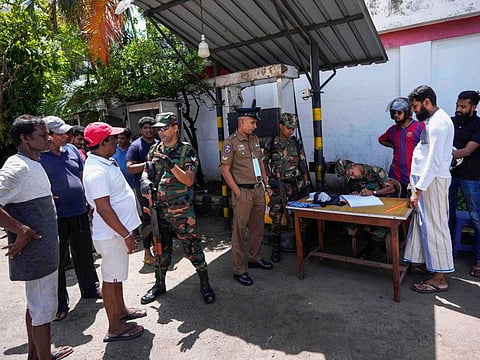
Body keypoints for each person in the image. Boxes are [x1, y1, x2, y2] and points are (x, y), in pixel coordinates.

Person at [0, 115, 73, 360]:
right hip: (36, 253)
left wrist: (45, 202)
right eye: (42, 135)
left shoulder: (33, 162)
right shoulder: (16, 167)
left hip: (45, 250)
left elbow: (22, 197)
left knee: (36, 305)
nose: (49, 138)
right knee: (43, 308)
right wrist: (20, 228)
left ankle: (36, 354)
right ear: (24, 138)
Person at [139, 112, 215, 304]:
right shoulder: (154, 149)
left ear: (175, 128)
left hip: (181, 211)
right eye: (158, 129)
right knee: (161, 249)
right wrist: (145, 182)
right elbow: (146, 171)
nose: (160, 132)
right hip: (158, 209)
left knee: (192, 248)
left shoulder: (185, 151)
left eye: (164, 128)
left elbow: (189, 180)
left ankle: (205, 283)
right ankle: (159, 284)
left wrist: (171, 165)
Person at [83, 122, 145, 342]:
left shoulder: (104, 162)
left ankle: (122, 312)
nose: (117, 141)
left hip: (116, 232)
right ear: (103, 143)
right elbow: (103, 208)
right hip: (112, 235)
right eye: (113, 138)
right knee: (110, 279)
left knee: (116, 277)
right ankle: (115, 327)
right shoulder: (96, 171)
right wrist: (126, 235)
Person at [40, 116, 101, 322]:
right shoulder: (38, 157)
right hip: (54, 216)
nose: (66, 135)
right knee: (58, 260)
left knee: (83, 252)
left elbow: (82, 175)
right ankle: (59, 304)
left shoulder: (73, 150)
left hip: (79, 211)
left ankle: (90, 288)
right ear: (48, 136)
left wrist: (90, 199)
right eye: (61, 133)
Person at [405, 85, 455, 293]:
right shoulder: (431, 121)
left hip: (431, 182)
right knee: (421, 224)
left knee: (435, 226)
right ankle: (426, 263)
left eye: (416, 107)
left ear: (427, 102)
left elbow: (434, 161)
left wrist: (418, 190)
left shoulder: (439, 123)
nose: (414, 111)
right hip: (425, 181)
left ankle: (440, 277)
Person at [220, 107, 272, 286]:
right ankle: (239, 269)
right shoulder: (231, 142)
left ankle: (255, 258)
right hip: (243, 192)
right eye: (252, 122)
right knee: (240, 231)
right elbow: (225, 170)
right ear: (242, 122)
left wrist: (266, 184)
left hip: (258, 190)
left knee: (258, 227)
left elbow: (261, 162)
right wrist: (237, 192)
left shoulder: (254, 139)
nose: (255, 126)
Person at [263, 113, 310, 262]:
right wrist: (269, 181)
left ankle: (300, 245)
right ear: (281, 126)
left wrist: (306, 182)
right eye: (288, 128)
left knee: (298, 216)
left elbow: (303, 163)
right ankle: (276, 247)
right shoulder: (271, 143)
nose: (291, 131)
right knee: (276, 217)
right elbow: (263, 163)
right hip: (279, 186)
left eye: (293, 129)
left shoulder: (296, 142)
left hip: (296, 185)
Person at [335, 159, 396, 260]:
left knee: (379, 230)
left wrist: (373, 193)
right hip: (363, 209)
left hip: (381, 209)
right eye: (350, 177)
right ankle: (376, 243)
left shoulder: (376, 171)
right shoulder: (351, 179)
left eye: (352, 174)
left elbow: (391, 188)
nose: (352, 177)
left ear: (354, 165)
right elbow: (351, 191)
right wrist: (354, 193)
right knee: (348, 228)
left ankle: (369, 249)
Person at [448, 90, 480, 279]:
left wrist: (442, 155)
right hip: (450, 175)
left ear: (473, 107)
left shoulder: (479, 124)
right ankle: (448, 255)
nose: (458, 109)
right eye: (457, 105)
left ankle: (478, 259)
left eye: (463, 106)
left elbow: (467, 151)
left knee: (476, 217)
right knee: (448, 215)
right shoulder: (450, 122)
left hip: (471, 177)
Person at [127, 117, 158, 266]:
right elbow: (130, 167)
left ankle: (159, 249)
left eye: (151, 127)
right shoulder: (135, 146)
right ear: (141, 130)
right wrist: (148, 165)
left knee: (159, 218)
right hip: (143, 189)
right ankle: (147, 252)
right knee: (147, 219)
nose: (149, 130)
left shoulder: (158, 143)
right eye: (146, 128)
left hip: (159, 187)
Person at [378, 97, 425, 197]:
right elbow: (381, 140)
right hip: (396, 174)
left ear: (407, 113)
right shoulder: (393, 130)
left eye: (399, 113)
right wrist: (395, 146)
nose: (396, 116)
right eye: (393, 113)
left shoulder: (419, 127)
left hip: (414, 174)